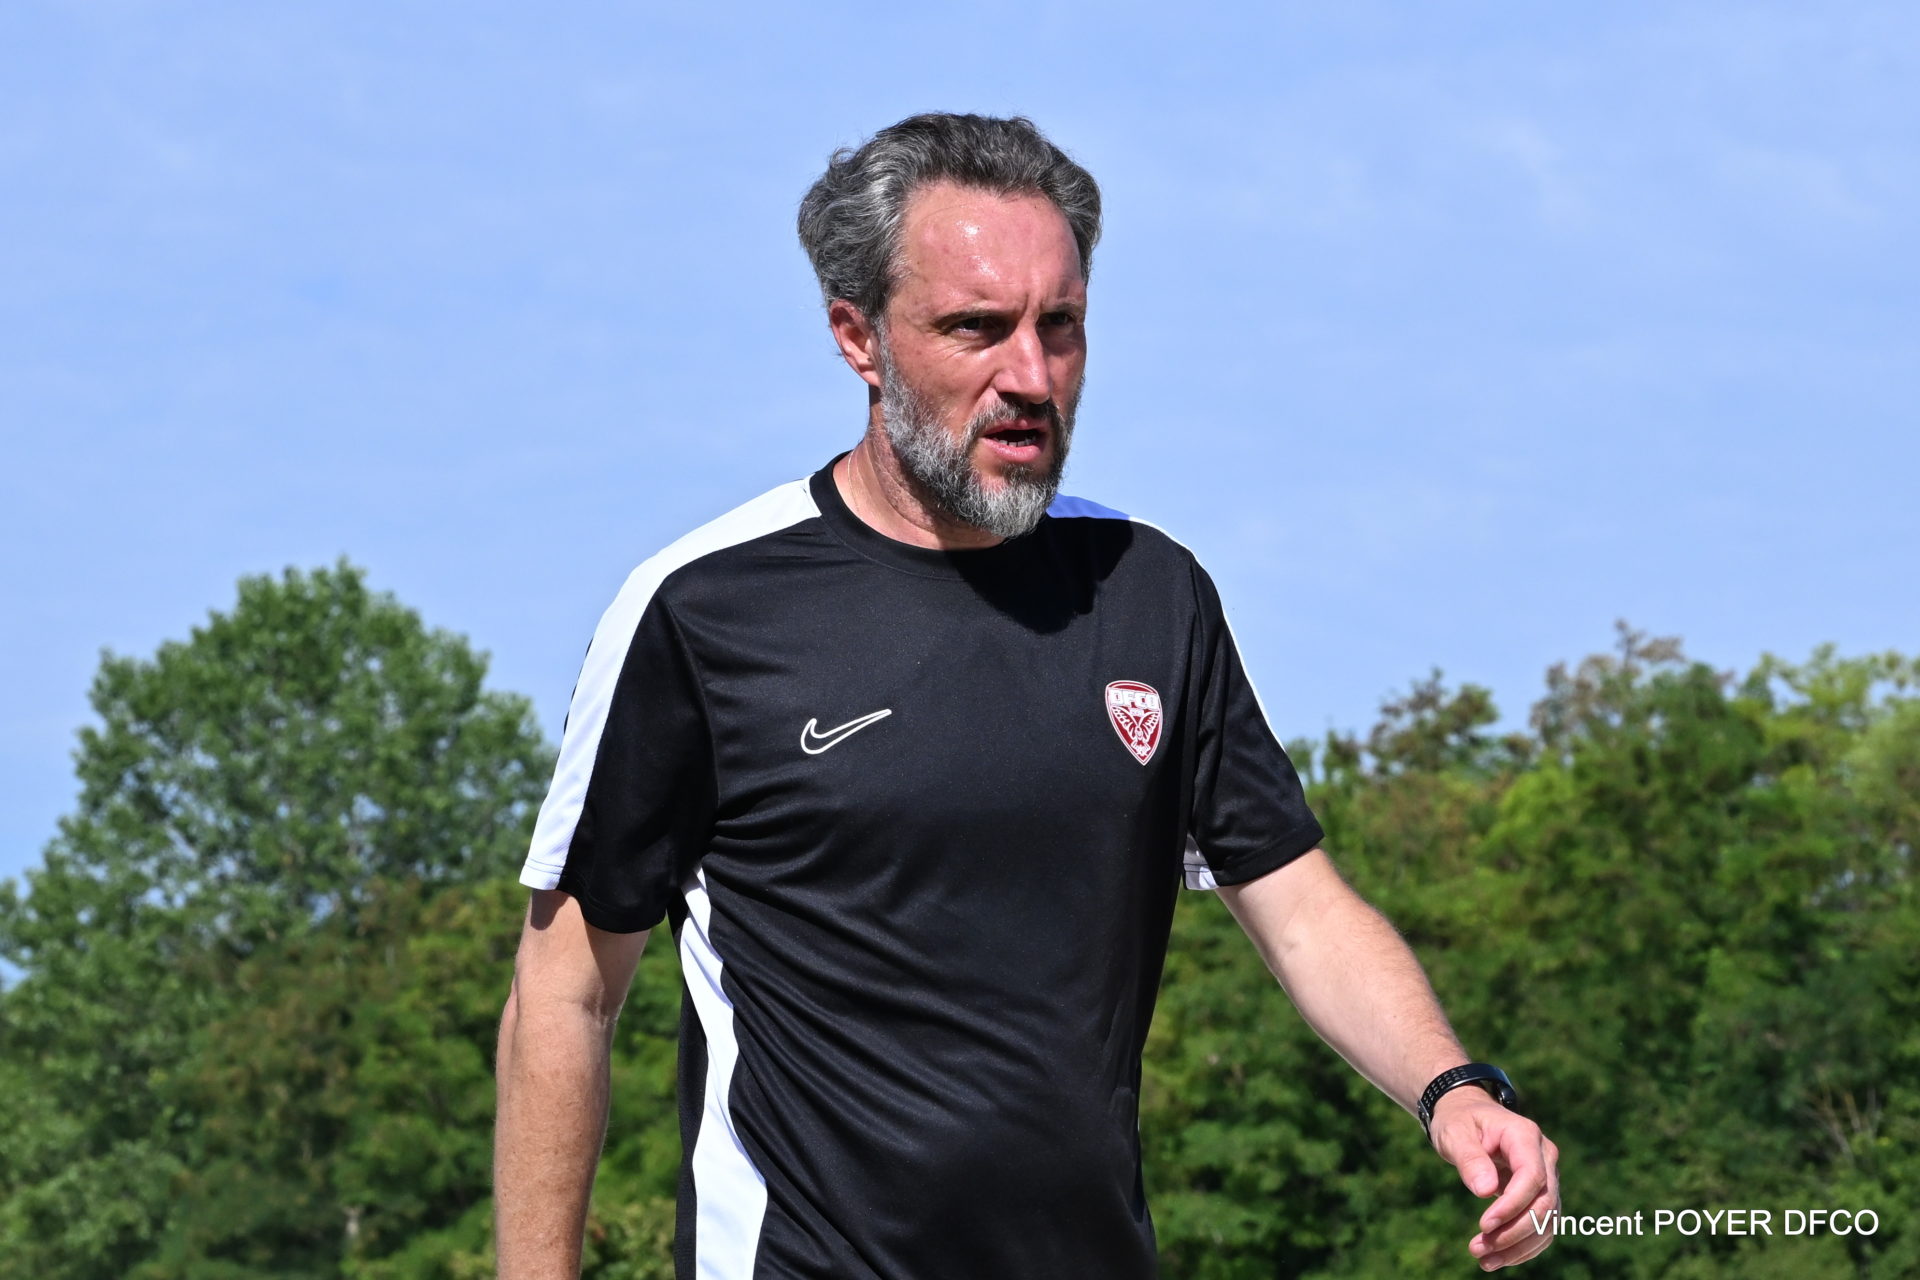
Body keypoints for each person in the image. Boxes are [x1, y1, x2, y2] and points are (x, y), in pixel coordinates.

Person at [494, 112, 1559, 1279]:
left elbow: (1300, 908)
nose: (1032, 377)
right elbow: (565, 993)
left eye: (1061, 326)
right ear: (858, 336)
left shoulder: (1148, 589)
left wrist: (1453, 1087)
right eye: (977, 328)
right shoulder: (703, 608)